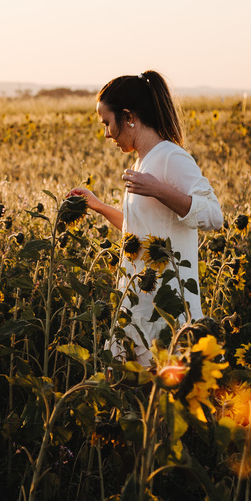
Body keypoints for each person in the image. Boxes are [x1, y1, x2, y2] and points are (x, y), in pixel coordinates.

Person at [67, 70, 222, 364]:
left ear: (128, 117)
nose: (106, 134)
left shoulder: (171, 157)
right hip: (140, 299)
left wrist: (160, 189)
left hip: (168, 306)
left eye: (107, 124)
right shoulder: (143, 161)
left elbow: (214, 216)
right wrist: (98, 205)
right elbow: (139, 231)